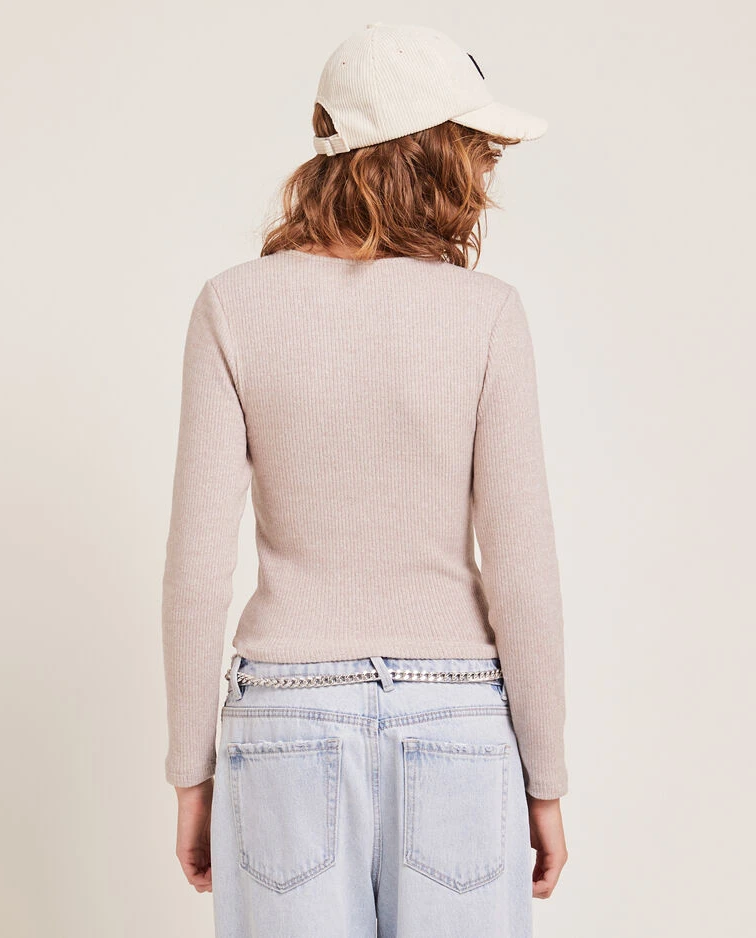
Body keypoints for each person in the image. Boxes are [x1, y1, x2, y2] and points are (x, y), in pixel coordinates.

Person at [161, 21, 568, 938]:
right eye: (477, 150)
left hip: (286, 717)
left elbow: (196, 568)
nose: (486, 174)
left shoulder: (232, 306)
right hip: (458, 718)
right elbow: (523, 570)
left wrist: (192, 772)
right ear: (439, 156)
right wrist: (545, 780)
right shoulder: (488, 315)